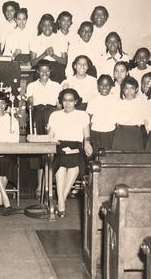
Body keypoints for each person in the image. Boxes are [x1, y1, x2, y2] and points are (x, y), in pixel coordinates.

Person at [48, 88, 92, 218]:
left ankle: (61, 199)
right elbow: (51, 135)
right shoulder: (55, 115)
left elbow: (86, 135)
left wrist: (87, 143)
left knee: (75, 161)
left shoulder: (82, 115)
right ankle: (62, 202)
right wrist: (51, 139)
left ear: (76, 101)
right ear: (61, 101)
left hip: (76, 146)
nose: (67, 103)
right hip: (59, 145)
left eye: (71, 100)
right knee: (61, 163)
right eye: (65, 100)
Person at [26, 60, 61, 196]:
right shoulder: (31, 86)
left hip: (52, 116)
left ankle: (49, 184)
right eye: (42, 70)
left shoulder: (57, 86)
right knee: (39, 150)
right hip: (37, 116)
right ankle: (40, 185)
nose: (44, 73)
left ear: (50, 71)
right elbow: (30, 104)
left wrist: (56, 120)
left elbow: (58, 106)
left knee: (51, 149)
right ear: (37, 72)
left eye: (47, 70)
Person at [30, 13, 68, 83]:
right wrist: (44, 54)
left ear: (53, 26)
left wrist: (53, 55)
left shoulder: (61, 39)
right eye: (44, 25)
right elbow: (33, 63)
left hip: (57, 70)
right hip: (41, 70)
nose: (47, 28)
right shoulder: (35, 40)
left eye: (49, 25)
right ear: (41, 26)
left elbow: (64, 62)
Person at [112, 77, 145, 151]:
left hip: (135, 133)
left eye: (132, 88)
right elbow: (116, 121)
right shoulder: (119, 103)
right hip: (121, 133)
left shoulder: (140, 103)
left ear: (136, 89)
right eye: (126, 88)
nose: (129, 91)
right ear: (123, 89)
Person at [87, 75, 117, 152]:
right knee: (97, 154)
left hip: (110, 132)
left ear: (111, 86)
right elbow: (89, 119)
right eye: (102, 84)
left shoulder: (115, 99)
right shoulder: (93, 100)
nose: (104, 87)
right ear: (98, 86)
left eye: (107, 85)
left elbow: (117, 117)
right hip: (96, 132)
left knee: (109, 154)